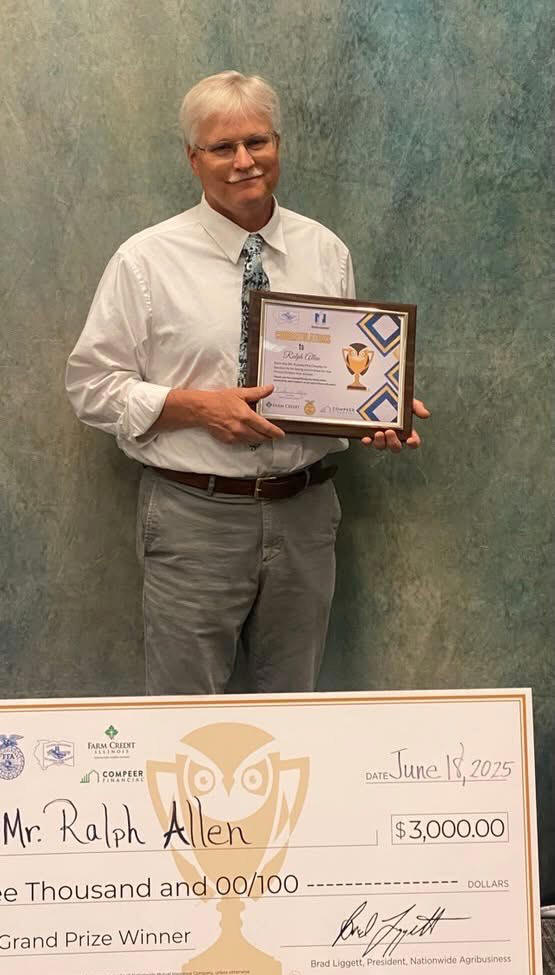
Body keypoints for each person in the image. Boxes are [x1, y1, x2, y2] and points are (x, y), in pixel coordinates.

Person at [65, 70, 430, 696]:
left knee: (292, 710)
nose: (243, 161)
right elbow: (90, 386)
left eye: (257, 142)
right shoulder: (145, 261)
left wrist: (377, 411)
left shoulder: (326, 251)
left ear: (277, 145)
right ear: (193, 158)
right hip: (193, 516)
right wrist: (196, 408)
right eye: (222, 147)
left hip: (305, 514)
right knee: (184, 716)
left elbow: (338, 373)